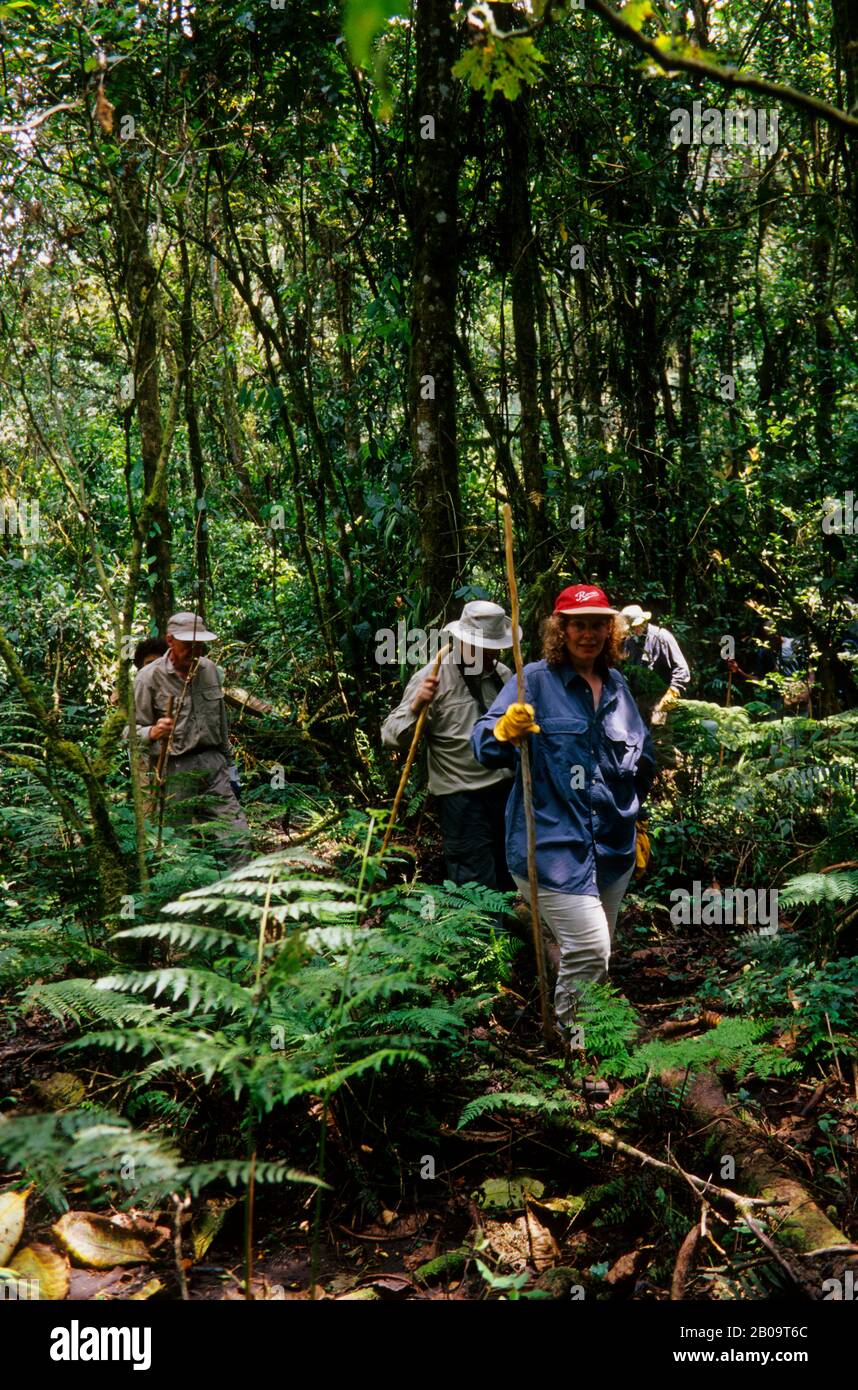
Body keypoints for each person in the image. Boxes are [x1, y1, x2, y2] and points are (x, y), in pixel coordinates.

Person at [471, 585, 655, 1041]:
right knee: (590, 949)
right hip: (551, 849)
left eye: (597, 624)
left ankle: (596, 1033)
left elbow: (641, 760)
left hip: (613, 850)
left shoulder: (617, 685)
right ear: (561, 628)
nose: (588, 634)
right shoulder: (532, 680)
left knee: (597, 953)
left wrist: (640, 818)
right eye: (578, 624)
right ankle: (577, 1046)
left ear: (609, 631)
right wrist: (503, 730)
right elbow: (482, 746)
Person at [381, 600, 518, 892]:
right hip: (462, 799)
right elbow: (391, 736)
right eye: (481, 646)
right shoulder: (432, 677)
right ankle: (483, 937)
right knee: (475, 885)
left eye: (493, 647)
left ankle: (509, 937)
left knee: (510, 880)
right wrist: (417, 705)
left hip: (506, 795)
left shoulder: (504, 675)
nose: (488, 653)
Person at [133, 612, 250, 865]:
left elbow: (220, 724)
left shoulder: (209, 670)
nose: (195, 652)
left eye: (200, 645)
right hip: (174, 770)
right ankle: (184, 900)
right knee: (178, 847)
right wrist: (152, 732)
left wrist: (232, 770)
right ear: (170, 641)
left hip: (213, 765)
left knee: (237, 838)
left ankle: (243, 899)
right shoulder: (148, 678)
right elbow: (128, 732)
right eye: (189, 645)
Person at [620, 604, 691, 724]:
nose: (633, 631)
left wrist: (672, 693)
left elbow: (682, 669)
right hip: (639, 702)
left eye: (635, 627)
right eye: (631, 629)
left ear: (643, 622)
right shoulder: (630, 642)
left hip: (661, 700)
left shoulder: (662, 637)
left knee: (660, 740)